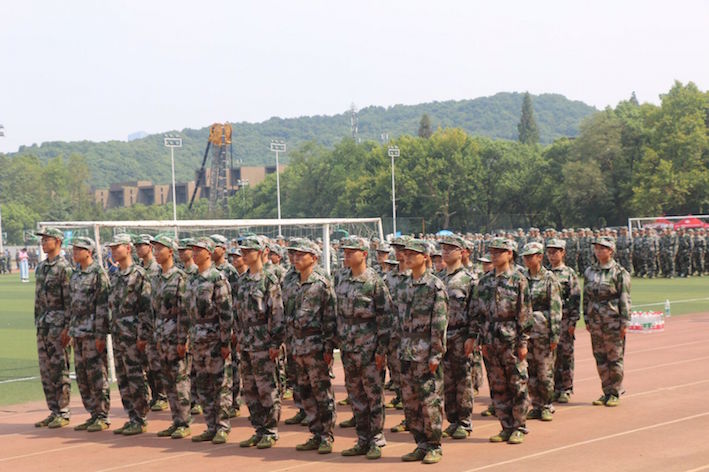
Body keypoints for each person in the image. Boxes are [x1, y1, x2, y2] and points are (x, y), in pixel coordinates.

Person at [335, 236, 392, 460]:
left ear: (364, 254)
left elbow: (386, 318)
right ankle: (362, 439)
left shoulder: (374, 282)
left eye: (351, 251)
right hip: (348, 349)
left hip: (369, 349)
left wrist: (381, 350)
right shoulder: (341, 279)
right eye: (345, 251)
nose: (347, 255)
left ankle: (376, 439)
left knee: (373, 396)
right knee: (355, 395)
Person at [471, 237, 531, 445]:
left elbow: (524, 312)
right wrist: (479, 338)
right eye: (492, 252)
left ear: (509, 254)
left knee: (517, 384)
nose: (494, 255)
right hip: (490, 340)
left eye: (499, 252)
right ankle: (506, 426)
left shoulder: (518, 280)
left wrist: (523, 342)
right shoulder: (484, 281)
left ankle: (519, 426)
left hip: (511, 339)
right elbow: (477, 312)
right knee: (498, 386)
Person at [398, 239, 448, 464]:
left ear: (425, 257)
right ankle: (420, 444)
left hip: (425, 353)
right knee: (410, 403)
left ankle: (434, 445)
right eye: (406, 254)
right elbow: (397, 320)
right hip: (406, 352)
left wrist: (436, 354)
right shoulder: (404, 285)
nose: (407, 257)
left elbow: (439, 323)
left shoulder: (434, 286)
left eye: (413, 254)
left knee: (429, 402)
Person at [234, 236, 285, 449]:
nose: (244, 254)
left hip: (263, 342)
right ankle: (259, 429)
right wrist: (238, 336)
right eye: (243, 251)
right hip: (246, 342)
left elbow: (276, 313)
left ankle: (270, 430)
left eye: (249, 251)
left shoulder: (268, 280)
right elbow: (237, 312)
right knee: (250, 389)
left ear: (261, 252)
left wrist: (275, 343)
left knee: (267, 388)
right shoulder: (242, 281)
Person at [288, 239, 338, 454]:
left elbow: (330, 317)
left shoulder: (321, 284)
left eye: (302, 255)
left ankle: (326, 435)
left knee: (322, 393)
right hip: (297, 346)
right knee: (305, 392)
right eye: (295, 255)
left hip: (316, 347)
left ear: (314, 258)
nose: (296, 258)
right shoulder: (291, 283)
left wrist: (328, 347)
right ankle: (315, 433)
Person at [187, 237, 233, 444]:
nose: (195, 254)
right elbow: (189, 312)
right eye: (194, 250)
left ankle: (222, 426)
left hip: (214, 340)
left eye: (199, 250)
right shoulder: (192, 279)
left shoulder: (217, 278)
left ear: (208, 253)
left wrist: (225, 342)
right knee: (203, 384)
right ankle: (210, 425)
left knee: (220, 384)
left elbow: (226, 312)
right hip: (197, 340)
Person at [107, 233, 152, 435]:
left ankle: (140, 418)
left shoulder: (139, 274)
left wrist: (143, 336)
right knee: (123, 377)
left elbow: (146, 308)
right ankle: (131, 416)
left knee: (135, 376)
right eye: (111, 248)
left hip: (133, 334)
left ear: (128, 248)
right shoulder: (115, 276)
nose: (113, 251)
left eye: (117, 247)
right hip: (118, 334)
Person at [68, 237, 112, 432]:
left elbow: (103, 306)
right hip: (78, 333)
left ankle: (102, 415)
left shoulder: (98, 274)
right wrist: (71, 330)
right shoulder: (76, 274)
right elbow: (72, 305)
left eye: (79, 249)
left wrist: (101, 334)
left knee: (97, 375)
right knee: (82, 376)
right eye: (74, 249)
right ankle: (93, 413)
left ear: (89, 252)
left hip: (92, 333)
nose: (75, 252)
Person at [150, 235, 192, 439]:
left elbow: (185, 311)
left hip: (175, 334)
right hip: (161, 335)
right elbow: (154, 310)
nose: (156, 253)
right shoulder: (156, 278)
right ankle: (176, 420)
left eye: (160, 249)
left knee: (180, 380)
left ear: (170, 252)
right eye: (155, 249)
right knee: (167, 381)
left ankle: (184, 422)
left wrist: (183, 339)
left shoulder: (180, 278)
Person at [583, 236, 631, 407]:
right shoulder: (590, 271)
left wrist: (624, 322)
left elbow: (625, 298)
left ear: (611, 251)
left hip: (612, 321)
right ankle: (606, 391)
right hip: (595, 321)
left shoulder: (619, 272)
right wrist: (586, 318)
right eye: (596, 248)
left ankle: (615, 391)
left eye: (602, 248)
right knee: (600, 357)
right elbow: (586, 297)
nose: (598, 251)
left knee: (614, 357)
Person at [33, 227, 73, 428]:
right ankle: (54, 410)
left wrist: (68, 328)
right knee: (46, 370)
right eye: (42, 240)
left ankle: (63, 411)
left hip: (59, 326)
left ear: (57, 241)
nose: (43, 243)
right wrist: (38, 322)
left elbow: (70, 301)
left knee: (59, 369)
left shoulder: (64, 268)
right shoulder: (41, 268)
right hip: (43, 326)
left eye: (47, 239)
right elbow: (38, 299)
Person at [439, 235, 476, 440]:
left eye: (450, 249)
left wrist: (473, 336)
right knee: (447, 380)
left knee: (463, 378)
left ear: (461, 253)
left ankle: (464, 421)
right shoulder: (439, 278)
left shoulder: (469, 279)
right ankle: (453, 420)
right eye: (443, 249)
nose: (445, 252)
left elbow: (475, 310)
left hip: (461, 335)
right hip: (442, 336)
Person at [520, 242, 561, 422]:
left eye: (531, 256)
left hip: (543, 331)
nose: (527, 260)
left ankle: (546, 405)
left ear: (540, 257)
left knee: (545, 371)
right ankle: (536, 404)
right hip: (525, 332)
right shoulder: (521, 277)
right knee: (530, 371)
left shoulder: (549, 278)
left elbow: (555, 308)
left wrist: (555, 334)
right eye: (525, 257)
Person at [135, 233, 168, 412]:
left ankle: (162, 395)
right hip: (143, 320)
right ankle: (154, 394)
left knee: (157, 361)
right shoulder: (138, 269)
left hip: (157, 320)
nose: (139, 248)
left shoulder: (157, 269)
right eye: (137, 246)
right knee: (146, 362)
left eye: (142, 245)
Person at [547, 239, 581, 404]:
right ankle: (554, 387)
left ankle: (565, 389)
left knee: (565, 355)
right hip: (547, 321)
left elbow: (575, 298)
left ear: (563, 253)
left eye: (555, 251)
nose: (552, 255)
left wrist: (573, 321)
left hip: (564, 320)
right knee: (549, 356)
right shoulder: (545, 273)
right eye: (549, 252)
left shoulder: (569, 273)